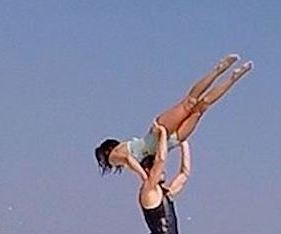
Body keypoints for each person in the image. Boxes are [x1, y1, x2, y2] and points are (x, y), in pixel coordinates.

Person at [95, 54, 253, 181]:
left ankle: (218, 69)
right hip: (171, 142)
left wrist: (144, 178)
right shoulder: (124, 157)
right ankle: (234, 77)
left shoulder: (114, 157)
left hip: (157, 133)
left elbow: (129, 159)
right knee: (201, 108)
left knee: (189, 102)